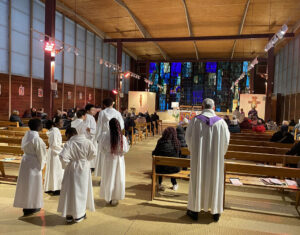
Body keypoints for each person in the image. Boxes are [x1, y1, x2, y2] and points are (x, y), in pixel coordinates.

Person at [185, 98, 230, 222]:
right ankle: (215, 212)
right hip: (216, 160)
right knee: (215, 181)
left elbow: (187, 138)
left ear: (202, 107)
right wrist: (220, 154)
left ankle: (194, 210)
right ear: (214, 107)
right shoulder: (221, 123)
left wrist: (194, 151)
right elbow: (226, 141)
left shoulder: (194, 121)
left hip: (198, 159)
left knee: (197, 180)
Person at [57, 127, 96, 223]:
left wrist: (67, 165)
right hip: (84, 167)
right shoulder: (87, 142)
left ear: (69, 135)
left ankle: (69, 214)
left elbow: (62, 157)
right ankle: (79, 214)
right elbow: (94, 154)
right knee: (82, 191)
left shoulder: (70, 143)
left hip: (73, 168)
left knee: (70, 191)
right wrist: (86, 160)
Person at [13, 118, 47, 216]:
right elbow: (41, 154)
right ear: (38, 126)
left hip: (25, 162)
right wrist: (42, 165)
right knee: (33, 185)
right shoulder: (37, 139)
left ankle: (26, 206)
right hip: (33, 164)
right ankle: (32, 206)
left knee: (26, 184)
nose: (42, 126)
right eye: (41, 125)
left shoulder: (26, 136)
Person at [99, 118, 129, 206]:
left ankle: (108, 197)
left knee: (109, 178)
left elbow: (101, 149)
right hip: (119, 160)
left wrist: (108, 153)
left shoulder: (105, 136)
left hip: (109, 159)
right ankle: (115, 198)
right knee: (118, 178)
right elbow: (125, 150)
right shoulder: (122, 137)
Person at [95, 98, 124, 177]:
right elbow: (121, 125)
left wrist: (97, 138)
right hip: (114, 135)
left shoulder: (102, 112)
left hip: (104, 135)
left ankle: (104, 176)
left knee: (104, 155)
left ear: (104, 105)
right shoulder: (117, 113)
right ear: (112, 104)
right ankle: (114, 175)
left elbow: (99, 125)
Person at [44, 120, 64, 195]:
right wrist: (62, 150)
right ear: (55, 123)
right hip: (56, 152)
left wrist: (61, 145)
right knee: (57, 170)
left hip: (52, 152)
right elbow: (54, 145)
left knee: (52, 170)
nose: (63, 123)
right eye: (61, 122)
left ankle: (50, 187)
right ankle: (57, 188)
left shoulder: (52, 130)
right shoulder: (55, 131)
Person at [85, 104, 98, 170]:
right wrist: (92, 132)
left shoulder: (89, 117)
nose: (94, 111)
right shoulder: (89, 117)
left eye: (94, 110)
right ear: (87, 111)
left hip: (90, 137)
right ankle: (91, 167)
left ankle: (91, 166)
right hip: (90, 137)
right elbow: (87, 128)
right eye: (92, 110)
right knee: (91, 151)